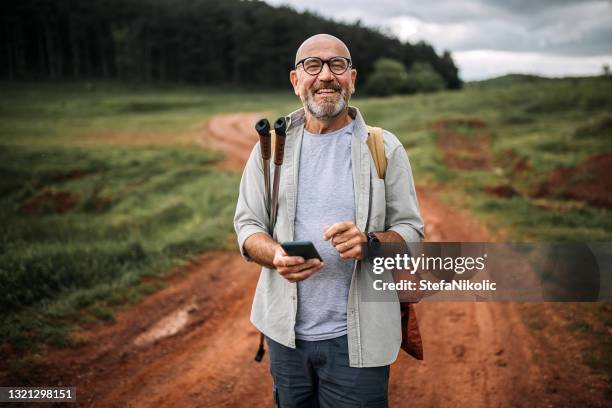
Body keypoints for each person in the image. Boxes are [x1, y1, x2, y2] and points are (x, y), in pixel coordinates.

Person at [234, 33, 424, 407]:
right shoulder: (271, 149)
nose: (325, 75)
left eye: (337, 65)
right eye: (312, 65)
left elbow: (412, 234)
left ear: (352, 78)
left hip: (359, 340)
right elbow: (247, 226)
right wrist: (274, 255)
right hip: (287, 339)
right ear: (296, 81)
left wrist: (370, 244)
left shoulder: (384, 148)